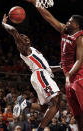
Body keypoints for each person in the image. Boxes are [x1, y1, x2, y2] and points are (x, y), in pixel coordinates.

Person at [23, 0, 83, 130]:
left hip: (78, 76)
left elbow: (79, 60)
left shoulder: (80, 38)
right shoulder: (64, 30)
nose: (67, 22)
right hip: (70, 76)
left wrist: (68, 75)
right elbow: (49, 17)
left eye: (70, 21)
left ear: (77, 25)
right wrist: (35, 3)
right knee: (77, 114)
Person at [2, 14, 61, 131]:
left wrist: (60, 67)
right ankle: (40, 129)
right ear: (20, 42)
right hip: (40, 75)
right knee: (56, 101)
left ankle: (26, 104)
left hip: (42, 74)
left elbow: (47, 67)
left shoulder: (34, 51)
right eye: (23, 38)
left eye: (27, 38)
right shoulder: (25, 50)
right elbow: (14, 31)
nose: (26, 39)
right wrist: (3, 24)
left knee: (46, 108)